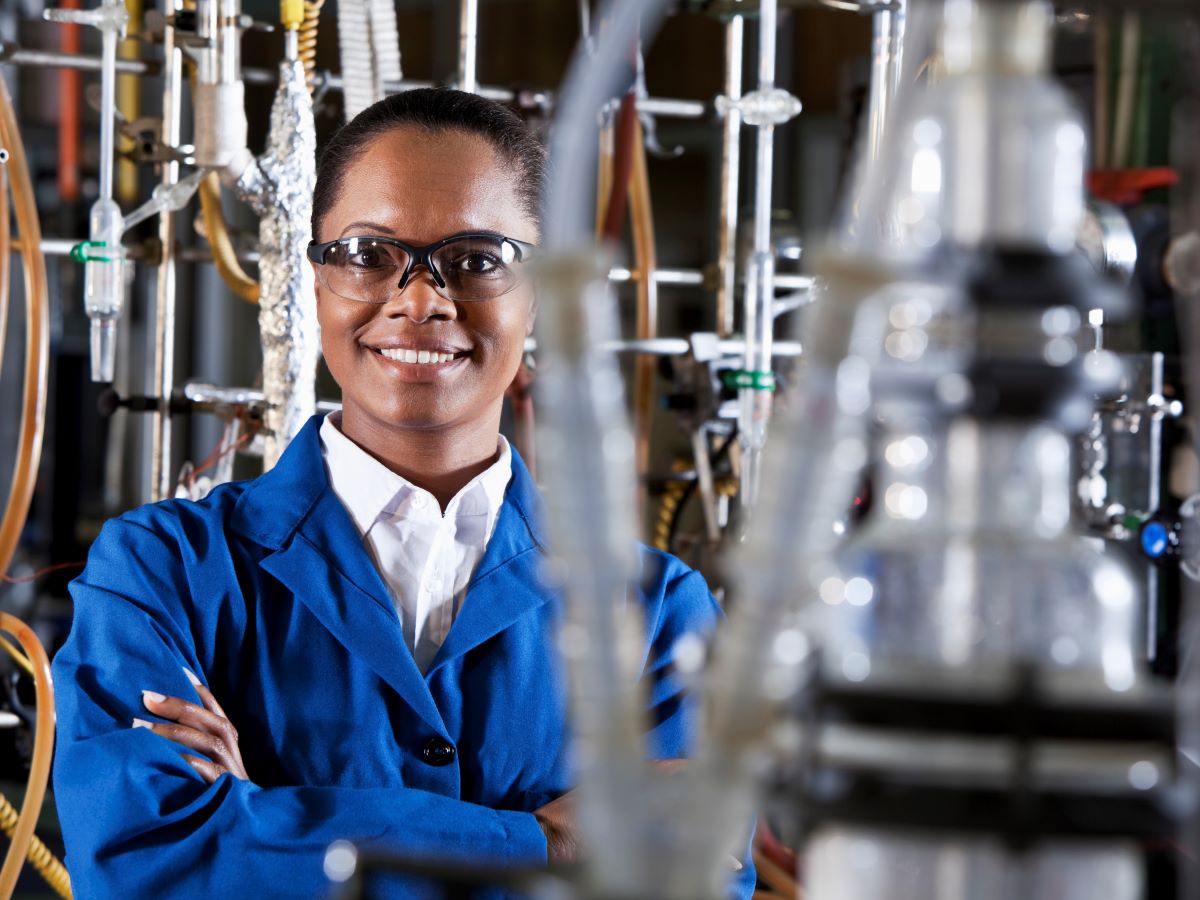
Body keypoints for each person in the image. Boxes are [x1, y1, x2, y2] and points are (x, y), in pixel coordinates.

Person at [52, 88, 756, 899]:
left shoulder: (658, 610)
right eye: (368, 253)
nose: (420, 298)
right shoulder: (164, 574)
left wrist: (258, 819)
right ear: (313, 283)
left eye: (479, 259)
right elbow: (149, 860)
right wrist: (546, 847)